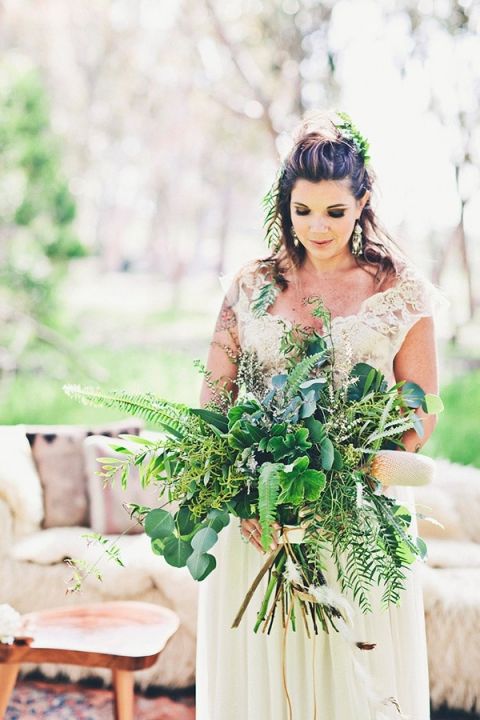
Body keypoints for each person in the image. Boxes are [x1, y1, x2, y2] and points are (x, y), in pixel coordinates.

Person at [196, 109, 438, 720]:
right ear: (285, 206)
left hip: (361, 518)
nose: (317, 227)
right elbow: (214, 402)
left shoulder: (399, 289)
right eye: (303, 211)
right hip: (261, 520)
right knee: (265, 684)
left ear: (362, 203)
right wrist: (248, 493)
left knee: (355, 679)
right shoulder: (250, 287)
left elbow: (422, 408)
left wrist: (355, 473)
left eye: (334, 211)